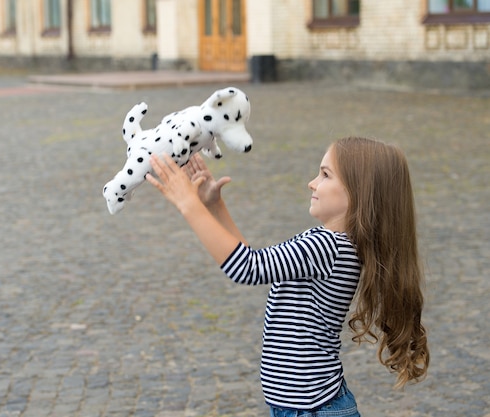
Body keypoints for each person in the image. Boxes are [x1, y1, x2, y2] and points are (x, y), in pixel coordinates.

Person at [145, 137, 430, 416]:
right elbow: (255, 262)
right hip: (302, 406)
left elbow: (246, 268)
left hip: (313, 409)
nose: (312, 182)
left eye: (325, 175)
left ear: (358, 191)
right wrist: (213, 206)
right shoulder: (331, 243)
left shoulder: (326, 246)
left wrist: (188, 203)